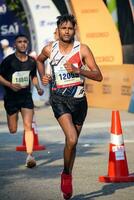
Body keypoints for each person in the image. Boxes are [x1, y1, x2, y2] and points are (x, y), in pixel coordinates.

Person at [37, 14, 103, 199]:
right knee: (72, 139)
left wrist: (78, 70)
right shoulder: (50, 49)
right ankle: (66, 174)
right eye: (63, 28)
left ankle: (67, 173)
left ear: (74, 30)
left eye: (70, 28)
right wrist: (44, 77)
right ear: (58, 30)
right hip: (59, 99)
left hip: (80, 102)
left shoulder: (82, 49)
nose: (66, 31)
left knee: (71, 145)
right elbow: (39, 60)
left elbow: (98, 76)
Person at [0, 34, 43, 168]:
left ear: (27, 44)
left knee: (28, 126)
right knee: (13, 129)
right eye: (20, 42)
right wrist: (10, 85)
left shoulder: (31, 61)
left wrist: (38, 87)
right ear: (15, 45)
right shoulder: (9, 61)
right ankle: (14, 118)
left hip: (26, 97)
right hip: (11, 98)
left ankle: (30, 156)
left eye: (25, 42)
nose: (23, 44)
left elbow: (33, 76)